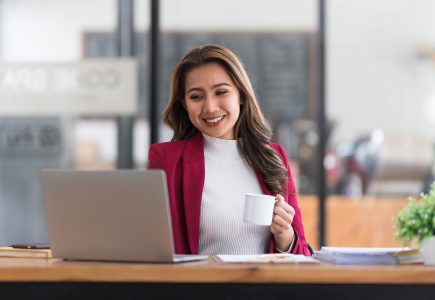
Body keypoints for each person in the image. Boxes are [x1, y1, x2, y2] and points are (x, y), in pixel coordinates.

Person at [148, 44, 311, 256]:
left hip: (263, 287)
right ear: (184, 104)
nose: (210, 107)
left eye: (221, 92)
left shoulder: (273, 157)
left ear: (241, 95)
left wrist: (285, 236)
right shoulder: (168, 160)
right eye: (196, 96)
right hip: (196, 287)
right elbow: (149, 244)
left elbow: (303, 257)